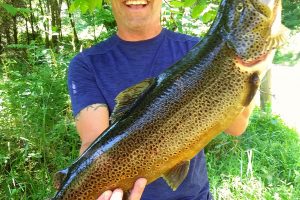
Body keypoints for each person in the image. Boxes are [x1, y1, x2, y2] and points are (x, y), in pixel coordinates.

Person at [67, 0, 268, 199]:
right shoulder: (86, 64)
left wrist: (252, 72)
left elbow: (237, 127)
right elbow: (94, 143)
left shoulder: (201, 52)